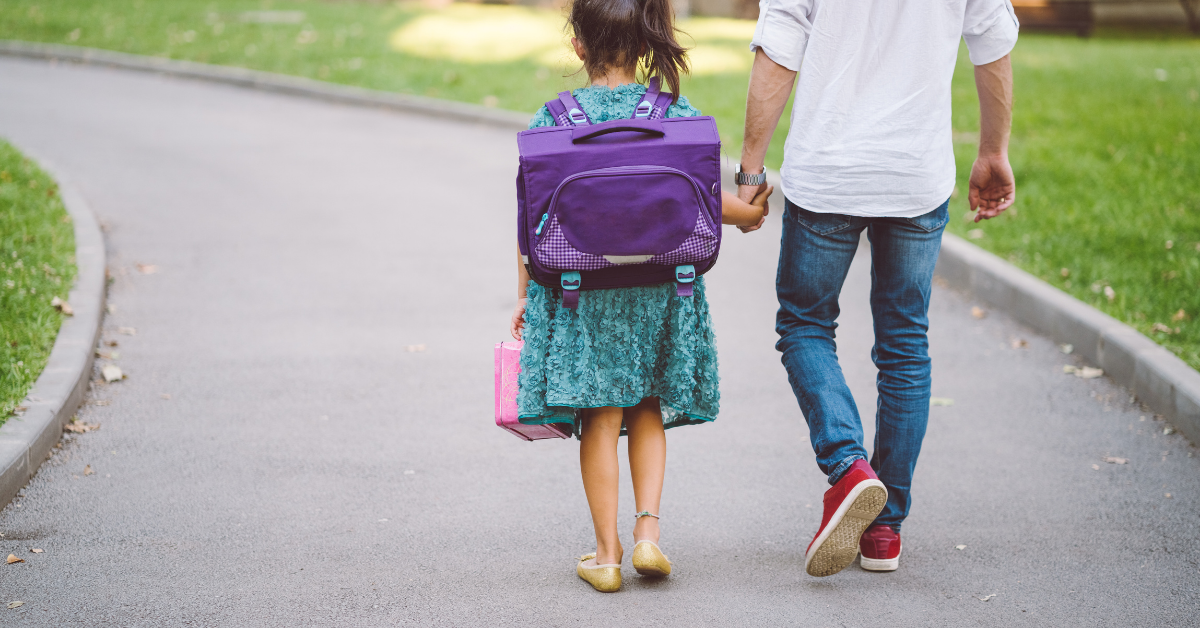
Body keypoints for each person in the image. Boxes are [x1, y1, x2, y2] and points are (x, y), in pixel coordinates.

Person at [735, 0, 1019, 577]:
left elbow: (780, 43)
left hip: (829, 171)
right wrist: (992, 152)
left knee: (804, 325)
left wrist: (750, 171)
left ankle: (849, 468)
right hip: (916, 173)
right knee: (904, 346)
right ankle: (884, 528)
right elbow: (992, 43)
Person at [509, 0, 771, 593]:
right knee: (647, 403)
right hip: (658, 286)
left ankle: (606, 556)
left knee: (601, 419)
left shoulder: (553, 120)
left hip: (582, 290)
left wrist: (525, 294)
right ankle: (649, 534)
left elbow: (530, 223)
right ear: (648, 42)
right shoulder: (676, 113)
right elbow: (707, 202)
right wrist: (749, 216)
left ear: (578, 46)